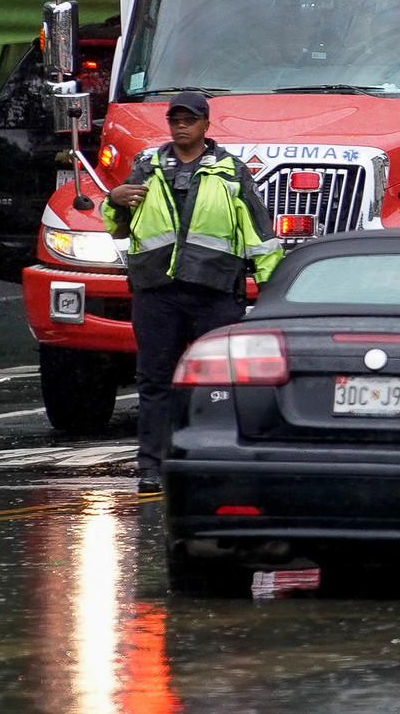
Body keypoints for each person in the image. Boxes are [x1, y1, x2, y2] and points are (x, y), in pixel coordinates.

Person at [104, 91, 282, 491]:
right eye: (175, 120)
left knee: (218, 385)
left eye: (189, 119)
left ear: (206, 124)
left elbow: (260, 235)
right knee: (154, 382)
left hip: (214, 292)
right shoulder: (147, 166)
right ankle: (151, 468)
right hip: (156, 291)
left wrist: (273, 294)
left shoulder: (231, 172)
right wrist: (112, 200)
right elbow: (116, 224)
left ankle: (215, 462)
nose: (181, 126)